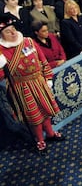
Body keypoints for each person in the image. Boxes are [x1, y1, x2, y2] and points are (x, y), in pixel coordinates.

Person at [0, 15, 64, 154]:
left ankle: (50, 133)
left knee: (45, 111)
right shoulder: (1, 50)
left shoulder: (28, 41)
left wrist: (48, 78)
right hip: (22, 87)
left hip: (39, 81)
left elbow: (42, 59)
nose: (12, 32)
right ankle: (40, 140)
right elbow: (1, 77)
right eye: (7, 31)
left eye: (13, 29)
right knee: (34, 117)